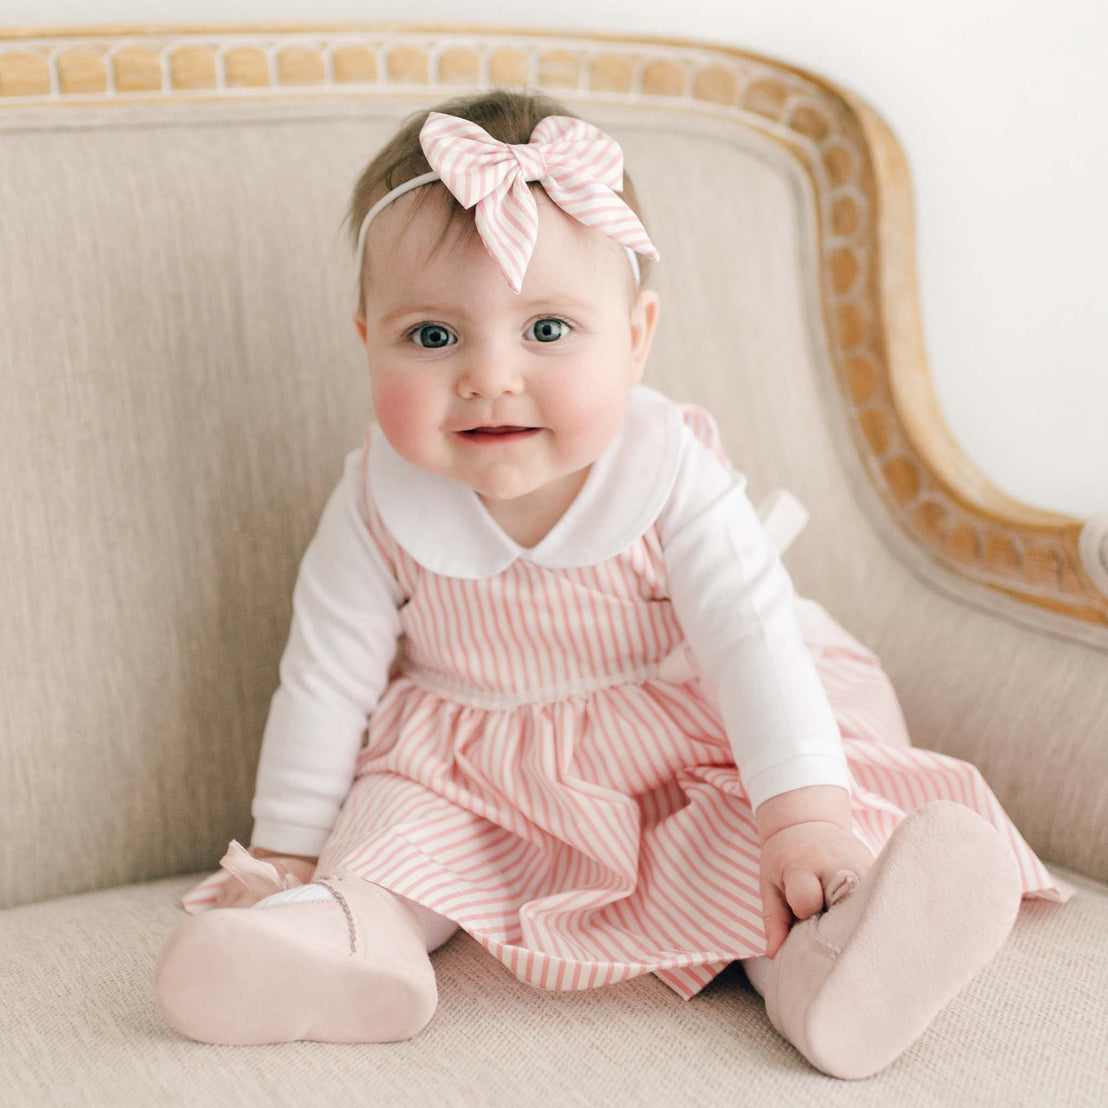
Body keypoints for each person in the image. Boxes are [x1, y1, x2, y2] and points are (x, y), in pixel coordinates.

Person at [153, 88, 1072, 1078]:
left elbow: (751, 639)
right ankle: (341, 944)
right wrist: (287, 849)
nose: (489, 375)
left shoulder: (670, 469)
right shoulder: (379, 495)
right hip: (472, 771)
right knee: (387, 836)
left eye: (547, 330)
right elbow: (325, 674)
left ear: (635, 337)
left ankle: (826, 961)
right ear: (365, 335)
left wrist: (799, 814)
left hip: (667, 754)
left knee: (753, 852)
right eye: (431, 337)